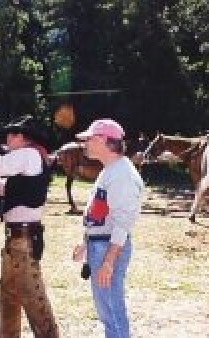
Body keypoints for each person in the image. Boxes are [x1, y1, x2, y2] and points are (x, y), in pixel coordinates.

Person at [0, 115, 59, 338]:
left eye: (10, 134)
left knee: (34, 298)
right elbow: (7, 188)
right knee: (9, 295)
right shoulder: (31, 158)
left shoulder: (27, 154)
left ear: (21, 137)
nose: (7, 139)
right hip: (18, 238)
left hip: (22, 239)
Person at [72, 119, 144, 338]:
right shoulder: (111, 170)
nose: (84, 143)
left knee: (112, 310)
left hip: (107, 248)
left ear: (103, 140)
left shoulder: (122, 174)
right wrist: (87, 242)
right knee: (107, 310)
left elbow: (123, 223)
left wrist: (109, 261)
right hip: (100, 245)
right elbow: (102, 212)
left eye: (89, 139)